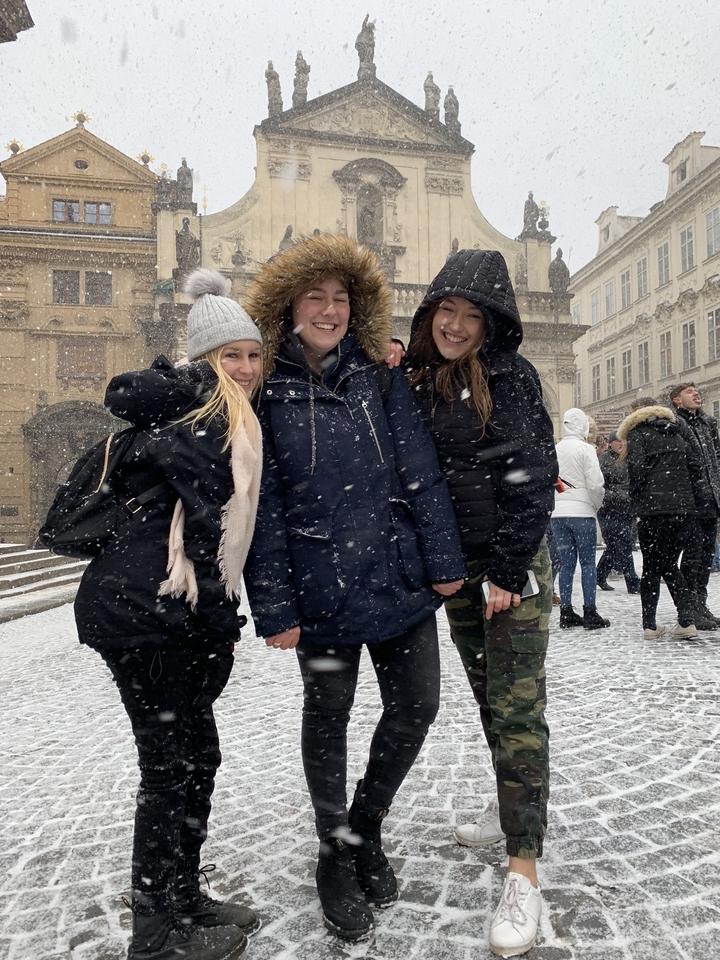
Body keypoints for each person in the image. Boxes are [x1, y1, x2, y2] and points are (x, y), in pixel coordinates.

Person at [242, 233, 466, 942]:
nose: (330, 310)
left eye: (342, 299)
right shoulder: (265, 389)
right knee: (329, 714)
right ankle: (334, 850)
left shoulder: (380, 372)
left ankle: (366, 826)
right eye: (317, 297)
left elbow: (420, 471)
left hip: (398, 573)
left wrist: (443, 558)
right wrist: (274, 604)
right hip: (321, 586)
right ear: (290, 305)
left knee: (418, 707)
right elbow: (263, 504)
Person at [74, 269, 264, 960]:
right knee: (169, 767)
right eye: (228, 356)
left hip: (153, 607)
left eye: (251, 354)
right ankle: (155, 934)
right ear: (203, 361)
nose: (243, 368)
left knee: (196, 757)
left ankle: (183, 895)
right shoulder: (201, 422)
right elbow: (207, 541)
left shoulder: (216, 416)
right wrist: (220, 632)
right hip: (144, 613)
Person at [404, 248, 557, 958]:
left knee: (519, 708)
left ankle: (523, 869)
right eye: (448, 310)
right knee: (490, 700)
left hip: (510, 572)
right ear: (431, 310)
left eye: (472, 315)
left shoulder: (512, 377)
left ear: (492, 324)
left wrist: (506, 568)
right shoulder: (423, 380)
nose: (457, 325)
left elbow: (531, 473)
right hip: (458, 573)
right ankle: (508, 811)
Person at [617, 397, 699, 639]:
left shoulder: (638, 433)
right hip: (682, 509)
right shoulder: (678, 432)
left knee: (652, 567)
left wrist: (637, 500)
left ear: (637, 414)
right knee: (670, 564)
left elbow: (637, 470)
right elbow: (694, 467)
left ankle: (651, 625)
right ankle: (686, 621)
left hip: (654, 510)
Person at [551, 408, 610, 629]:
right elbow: (596, 484)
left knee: (566, 563)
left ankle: (566, 612)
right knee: (587, 563)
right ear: (583, 427)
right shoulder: (586, 449)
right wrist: (594, 504)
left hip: (558, 513)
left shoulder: (555, 449)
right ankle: (590, 611)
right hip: (582, 512)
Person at [670, 382, 720, 628]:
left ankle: (701, 604)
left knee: (706, 557)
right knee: (693, 557)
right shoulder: (676, 424)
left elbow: (716, 457)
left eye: (696, 390)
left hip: (711, 498)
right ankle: (689, 610)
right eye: (689, 392)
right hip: (691, 501)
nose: (696, 393)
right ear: (677, 400)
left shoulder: (708, 423)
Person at [596, 431, 641, 593]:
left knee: (616, 547)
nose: (621, 444)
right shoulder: (603, 460)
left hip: (627, 509)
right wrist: (617, 496)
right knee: (623, 545)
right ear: (610, 443)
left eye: (623, 440)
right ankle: (633, 582)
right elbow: (598, 486)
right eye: (617, 441)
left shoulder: (630, 458)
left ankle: (599, 575)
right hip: (609, 510)